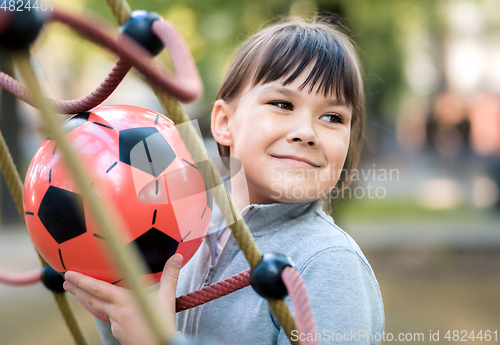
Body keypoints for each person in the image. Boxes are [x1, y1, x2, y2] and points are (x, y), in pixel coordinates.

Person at [63, 16, 385, 345]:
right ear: (224, 122)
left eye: (333, 117)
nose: (307, 133)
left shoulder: (329, 264)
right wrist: (113, 304)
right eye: (282, 104)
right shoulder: (187, 232)